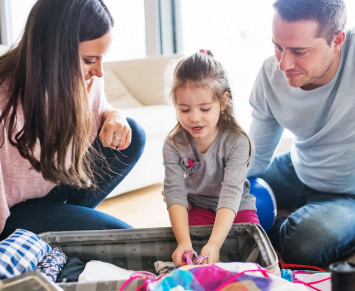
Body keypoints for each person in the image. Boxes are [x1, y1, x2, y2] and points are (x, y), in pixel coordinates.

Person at [248, 0, 355, 267]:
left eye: (299, 51)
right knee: (217, 194)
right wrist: (206, 179)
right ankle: (285, 219)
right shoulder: (269, 75)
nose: (284, 63)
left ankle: (291, 223)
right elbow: (256, 157)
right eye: (278, 46)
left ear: (337, 41)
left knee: (307, 243)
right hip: (298, 168)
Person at [0, 0, 146, 240]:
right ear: (50, 50)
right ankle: (67, 225)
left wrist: (113, 114)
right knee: (124, 236)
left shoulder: (87, 80)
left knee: (133, 135)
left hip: (54, 186)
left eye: (101, 58)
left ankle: (68, 219)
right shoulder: (5, 99)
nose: (99, 71)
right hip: (13, 212)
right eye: (90, 60)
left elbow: (96, 111)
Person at [163, 50, 259, 266]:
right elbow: (174, 192)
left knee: (252, 254)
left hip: (237, 208)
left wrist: (214, 244)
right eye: (184, 109)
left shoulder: (237, 141)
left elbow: (231, 192)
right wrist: (183, 242)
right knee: (190, 256)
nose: (195, 118)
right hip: (198, 208)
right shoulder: (173, 144)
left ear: (223, 102)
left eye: (204, 108)